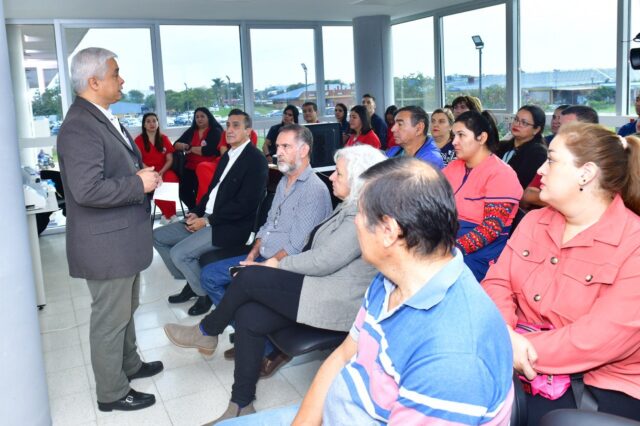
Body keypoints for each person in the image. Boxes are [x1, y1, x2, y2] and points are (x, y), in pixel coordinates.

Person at [224, 156, 515, 425]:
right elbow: (342, 357)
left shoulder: (453, 358)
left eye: (361, 213)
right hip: (341, 407)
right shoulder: (390, 278)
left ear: (389, 231)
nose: (355, 222)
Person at [164, 145, 387, 424]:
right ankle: (241, 405)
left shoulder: (361, 215)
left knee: (249, 277)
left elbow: (323, 261)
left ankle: (207, 330)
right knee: (248, 315)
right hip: (318, 285)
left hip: (334, 300)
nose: (331, 176)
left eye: (338, 173)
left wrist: (276, 265)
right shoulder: (349, 206)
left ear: (358, 179)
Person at [483, 123, 640, 425]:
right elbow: (498, 283)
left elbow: (597, 340)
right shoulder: (535, 221)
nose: (540, 169)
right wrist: (503, 333)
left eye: (551, 160)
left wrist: (510, 347)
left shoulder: (632, 243)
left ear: (586, 173)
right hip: (517, 359)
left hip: (602, 383)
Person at [57, 47, 163, 412]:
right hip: (106, 245)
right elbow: (86, 190)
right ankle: (112, 392)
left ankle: (129, 364)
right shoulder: (80, 126)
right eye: (116, 74)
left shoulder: (99, 117)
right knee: (109, 319)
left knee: (126, 308)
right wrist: (138, 184)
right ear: (93, 81)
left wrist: (140, 177)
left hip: (120, 239)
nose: (122, 80)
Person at [193, 124, 333, 316]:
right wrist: (252, 255)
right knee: (208, 275)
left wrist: (262, 266)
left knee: (229, 283)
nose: (278, 153)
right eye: (277, 147)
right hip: (262, 256)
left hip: (283, 266)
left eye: (285, 147)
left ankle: (241, 325)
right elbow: (268, 224)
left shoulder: (313, 190)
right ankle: (239, 324)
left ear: (304, 150)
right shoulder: (284, 181)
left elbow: (297, 246)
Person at [153, 110, 268, 316]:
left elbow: (245, 205)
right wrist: (196, 212)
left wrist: (207, 221)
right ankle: (193, 281)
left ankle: (204, 294)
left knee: (179, 253)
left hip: (228, 227)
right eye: (228, 125)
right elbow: (210, 193)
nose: (229, 130)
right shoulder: (227, 157)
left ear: (248, 131)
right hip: (207, 218)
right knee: (157, 236)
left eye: (236, 125)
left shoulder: (256, 160)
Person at [443, 110, 523, 281]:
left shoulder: (501, 174)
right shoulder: (453, 167)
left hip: (479, 257)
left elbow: (491, 228)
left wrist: (450, 251)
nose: (454, 141)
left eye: (461, 135)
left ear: (482, 138)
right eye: (453, 135)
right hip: (447, 243)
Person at [523, 105, 600, 210]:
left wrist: (549, 197)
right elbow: (528, 195)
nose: (560, 133)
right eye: (560, 128)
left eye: (567, 128)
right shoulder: (555, 156)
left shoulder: (603, 161)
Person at [134, 112, 180, 225]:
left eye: (154, 121)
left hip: (164, 170)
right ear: (144, 125)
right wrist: (152, 172)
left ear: (158, 123)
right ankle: (171, 215)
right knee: (155, 182)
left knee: (171, 178)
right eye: (148, 121)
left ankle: (167, 216)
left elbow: (170, 159)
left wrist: (162, 172)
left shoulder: (164, 138)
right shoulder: (138, 140)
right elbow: (138, 161)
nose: (152, 124)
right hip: (148, 171)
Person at [174, 107, 224, 209]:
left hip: (206, 168)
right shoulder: (192, 130)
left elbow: (208, 151)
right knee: (182, 191)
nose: (199, 119)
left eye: (202, 116)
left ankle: (200, 211)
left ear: (208, 117)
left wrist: (191, 148)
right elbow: (175, 144)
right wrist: (184, 146)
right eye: (197, 117)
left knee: (200, 192)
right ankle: (195, 210)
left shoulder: (215, 131)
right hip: (190, 167)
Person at [498, 105, 548, 189]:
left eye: (524, 123)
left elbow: (524, 185)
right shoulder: (501, 146)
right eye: (516, 119)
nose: (517, 124)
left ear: (536, 129)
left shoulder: (538, 154)